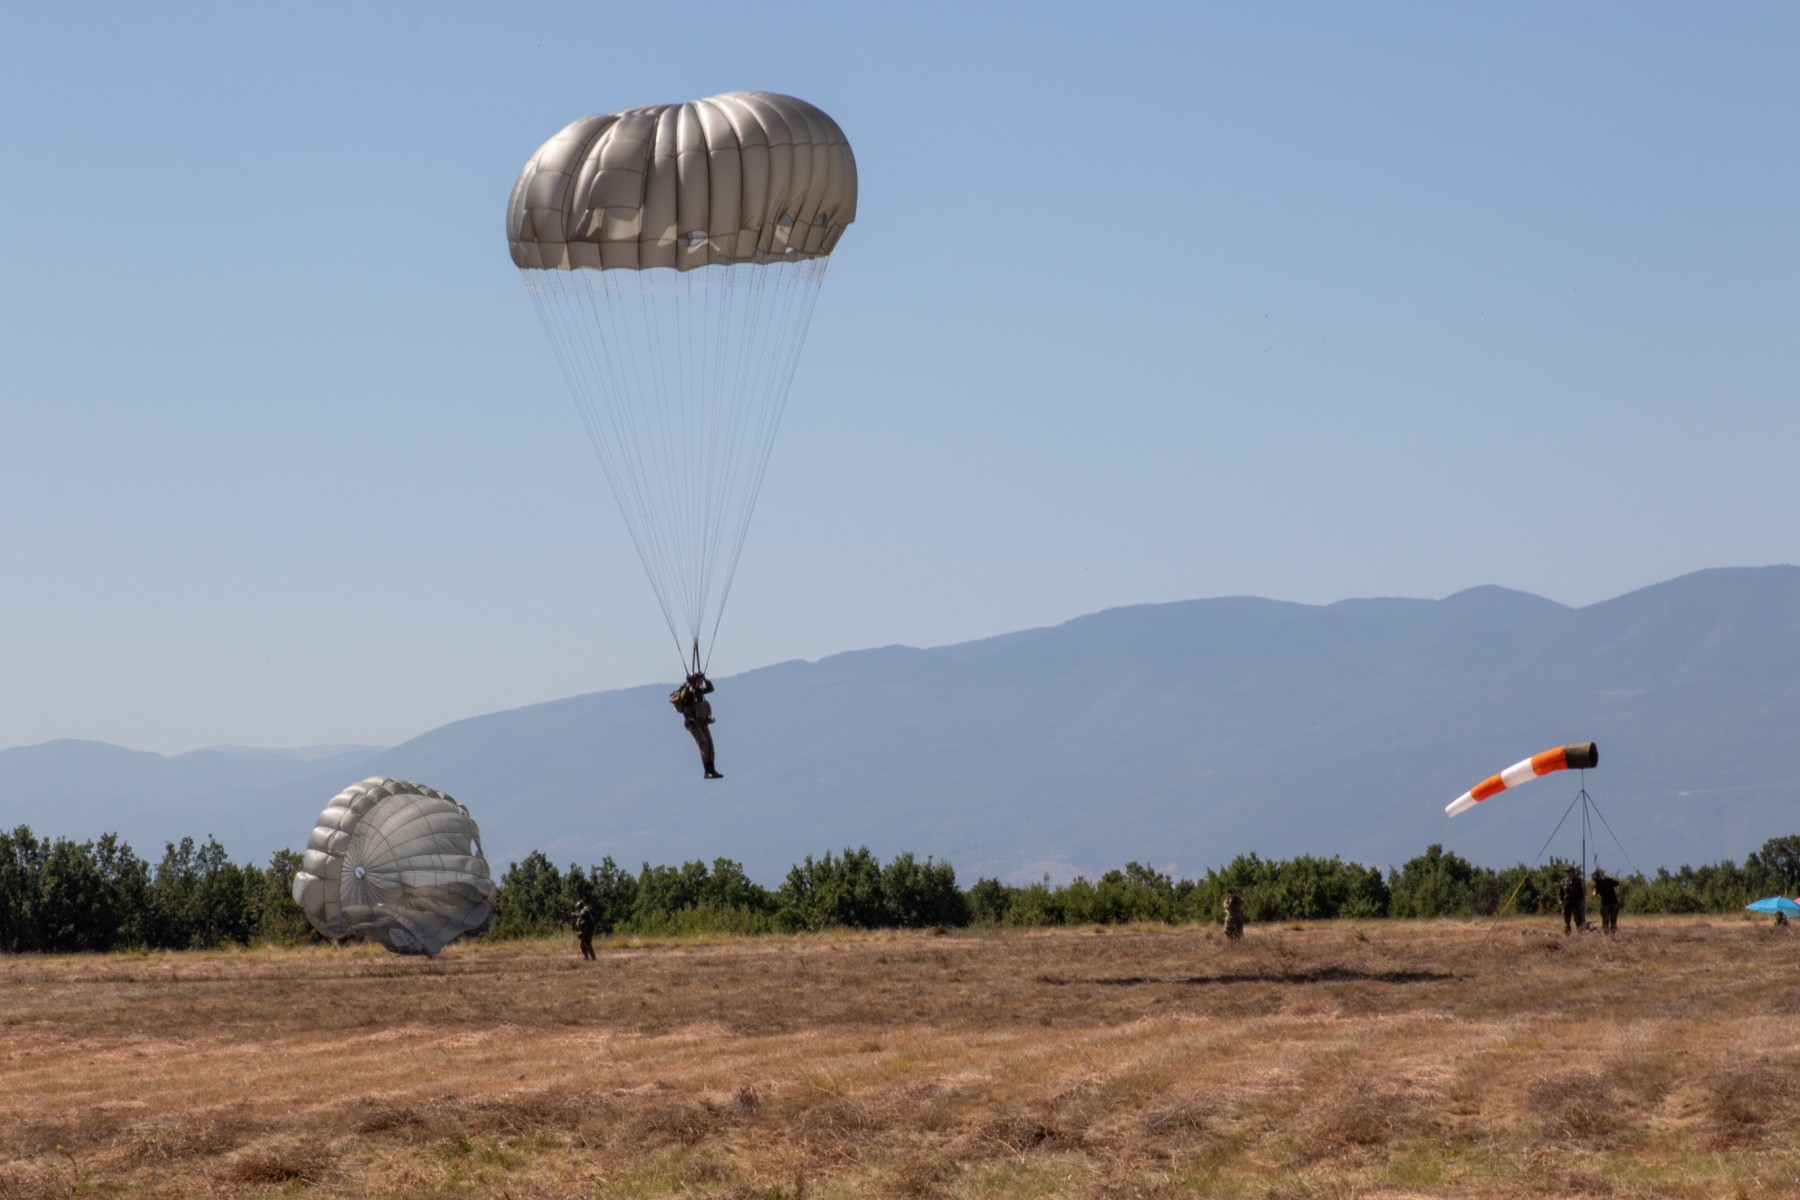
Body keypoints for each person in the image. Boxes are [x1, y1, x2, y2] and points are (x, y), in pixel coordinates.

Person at [669, 672, 722, 779]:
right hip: (693, 723)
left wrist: (705, 679)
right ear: (693, 682)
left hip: (702, 722)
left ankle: (712, 769)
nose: (700, 683)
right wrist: (689, 686)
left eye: (701, 682)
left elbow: (711, 688)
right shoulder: (688, 692)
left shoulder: (699, 691)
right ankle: (707, 771)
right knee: (703, 743)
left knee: (710, 745)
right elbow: (684, 695)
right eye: (698, 682)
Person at [1558, 866, 1587, 935]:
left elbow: (1582, 893)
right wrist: (1560, 900)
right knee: (1566, 921)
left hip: (1576, 904)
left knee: (1578, 921)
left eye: (1571, 872)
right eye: (1568, 872)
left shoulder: (1578, 881)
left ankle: (1581, 936)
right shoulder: (1563, 882)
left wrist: (1580, 902)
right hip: (1567, 904)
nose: (1569, 873)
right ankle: (1567, 935)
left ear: (1573, 873)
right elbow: (1560, 893)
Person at [1592, 868, 1621, 935]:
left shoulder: (1598, 884)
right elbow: (1620, 884)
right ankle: (1611, 934)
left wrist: (1599, 898)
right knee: (1611, 920)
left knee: (1606, 920)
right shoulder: (1607, 881)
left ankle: (1608, 935)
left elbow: (1594, 894)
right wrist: (1619, 894)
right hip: (1611, 902)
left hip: (1608, 903)